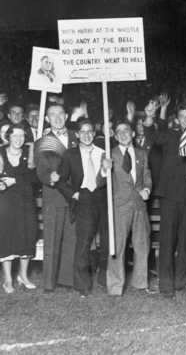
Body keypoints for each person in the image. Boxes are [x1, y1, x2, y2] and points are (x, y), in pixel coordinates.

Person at [144, 95, 186, 298]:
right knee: (167, 241)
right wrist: (150, 117)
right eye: (182, 116)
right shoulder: (170, 135)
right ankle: (166, 285)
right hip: (170, 195)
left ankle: (181, 281)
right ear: (177, 119)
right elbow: (152, 136)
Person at [56, 119, 109, 297]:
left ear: (94, 133)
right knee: (84, 242)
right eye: (83, 132)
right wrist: (74, 194)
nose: (87, 135)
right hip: (84, 198)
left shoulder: (103, 153)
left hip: (101, 198)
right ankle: (82, 285)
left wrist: (106, 171)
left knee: (107, 241)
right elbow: (61, 182)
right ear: (77, 134)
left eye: (90, 131)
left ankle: (104, 278)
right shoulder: (69, 155)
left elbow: (107, 180)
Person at [34, 104, 78, 292]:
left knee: (71, 238)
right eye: (52, 114)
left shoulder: (77, 137)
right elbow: (41, 169)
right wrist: (49, 178)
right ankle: (49, 283)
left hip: (74, 196)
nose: (57, 117)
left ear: (66, 116)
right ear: (47, 119)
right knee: (51, 240)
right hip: (54, 195)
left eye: (60, 113)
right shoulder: (43, 142)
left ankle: (66, 280)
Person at [105, 121, 153, 296]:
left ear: (133, 133)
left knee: (142, 244)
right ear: (115, 136)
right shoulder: (109, 155)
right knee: (117, 246)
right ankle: (115, 286)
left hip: (139, 204)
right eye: (119, 131)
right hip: (120, 206)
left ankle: (140, 283)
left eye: (126, 130)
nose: (123, 133)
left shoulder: (142, 153)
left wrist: (147, 188)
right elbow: (99, 181)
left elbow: (147, 175)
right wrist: (104, 170)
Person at [0, 125, 37, 293]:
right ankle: (8, 280)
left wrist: (14, 180)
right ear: (8, 137)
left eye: (22, 135)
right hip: (6, 201)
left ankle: (23, 275)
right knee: (7, 236)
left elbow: (34, 176)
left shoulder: (29, 153)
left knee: (27, 235)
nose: (18, 139)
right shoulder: (1, 153)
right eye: (15, 135)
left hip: (26, 200)